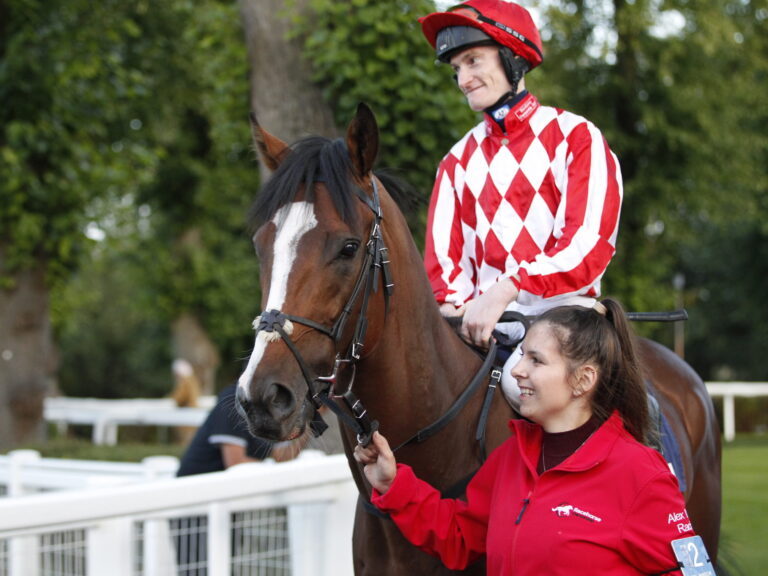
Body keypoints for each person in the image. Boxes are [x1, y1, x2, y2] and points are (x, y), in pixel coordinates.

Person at [354, 299, 700, 575]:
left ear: (583, 380)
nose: (517, 370)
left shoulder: (641, 474)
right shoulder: (511, 457)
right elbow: (460, 535)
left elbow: (692, 571)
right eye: (522, 356)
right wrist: (393, 483)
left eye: (536, 360)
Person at [419, 0, 623, 405]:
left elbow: (588, 246)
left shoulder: (577, 137)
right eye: (457, 68)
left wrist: (507, 289)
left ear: (512, 57)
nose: (463, 79)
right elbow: (443, 268)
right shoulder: (455, 162)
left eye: (474, 60)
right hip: (481, 333)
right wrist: (458, 310)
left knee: (519, 382)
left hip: (566, 322)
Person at [173, 383, 307, 576]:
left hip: (224, 503)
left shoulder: (265, 409)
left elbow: (281, 456)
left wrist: (310, 421)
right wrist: (271, 470)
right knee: (199, 570)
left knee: (223, 568)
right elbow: (235, 463)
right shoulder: (232, 402)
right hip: (193, 505)